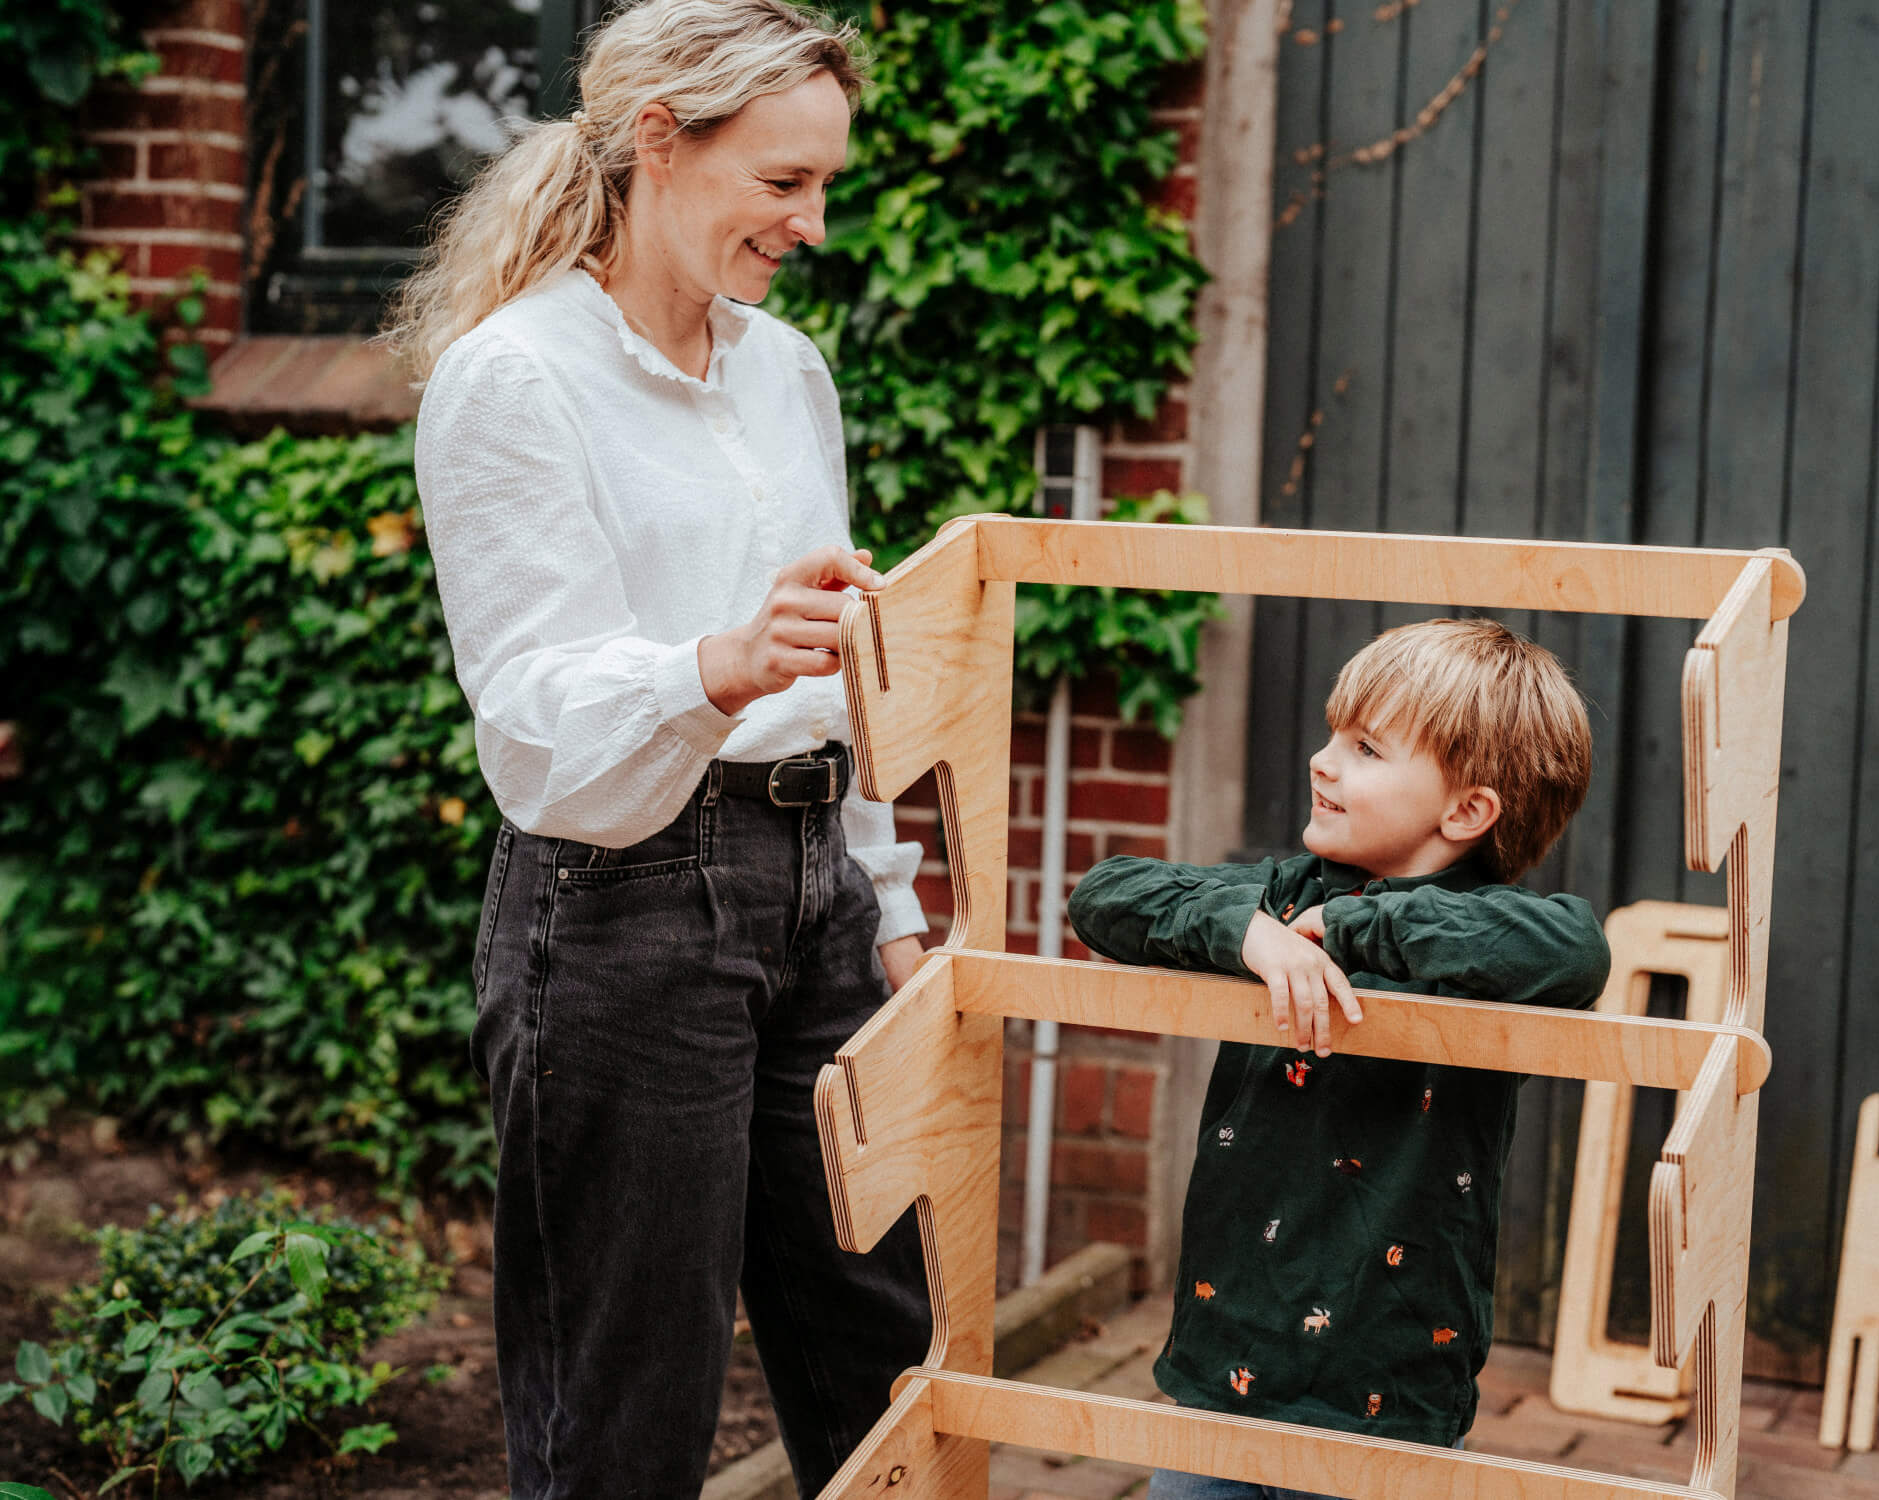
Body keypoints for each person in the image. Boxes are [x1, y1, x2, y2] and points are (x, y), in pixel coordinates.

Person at [388, 3, 933, 1494]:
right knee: (630, 1404)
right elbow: (536, 725)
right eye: (781, 181)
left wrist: (885, 901)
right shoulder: (516, 378)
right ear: (658, 144)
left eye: (825, 184)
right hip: (623, 910)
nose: (812, 222)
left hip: (818, 888)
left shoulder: (787, 371)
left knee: (887, 1366)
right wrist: (717, 664)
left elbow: (831, 659)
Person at [1068, 618, 1612, 1499]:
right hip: (1223, 1365)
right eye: (1331, 736)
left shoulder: (1485, 937)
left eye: (1364, 748)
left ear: (1466, 812)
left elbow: (1578, 949)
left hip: (1388, 1390)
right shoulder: (1282, 894)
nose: (1322, 762)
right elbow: (1104, 894)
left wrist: (1360, 927)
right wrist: (1247, 934)